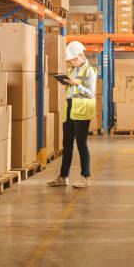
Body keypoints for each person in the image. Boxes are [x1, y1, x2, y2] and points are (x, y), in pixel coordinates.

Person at [48, 41, 97, 188]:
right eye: (71, 60)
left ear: (81, 56)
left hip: (82, 112)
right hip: (70, 109)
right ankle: (63, 177)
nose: (73, 62)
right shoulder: (73, 71)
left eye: (74, 59)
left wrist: (77, 85)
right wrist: (67, 84)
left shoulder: (90, 72)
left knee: (81, 144)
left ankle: (86, 177)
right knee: (67, 144)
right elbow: (71, 92)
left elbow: (91, 93)